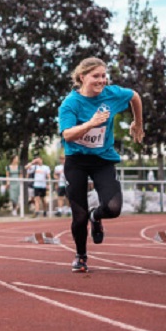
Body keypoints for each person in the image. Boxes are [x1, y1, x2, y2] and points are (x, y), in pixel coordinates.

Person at [59, 57, 144, 273]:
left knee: (114, 208)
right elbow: (67, 134)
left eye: (104, 75)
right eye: (96, 76)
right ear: (82, 77)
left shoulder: (112, 94)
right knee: (79, 216)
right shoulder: (70, 103)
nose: (101, 80)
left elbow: (134, 96)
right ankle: (81, 256)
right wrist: (90, 124)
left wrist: (138, 124)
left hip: (103, 160)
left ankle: (96, 217)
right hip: (76, 161)